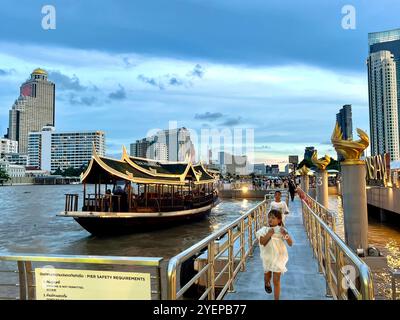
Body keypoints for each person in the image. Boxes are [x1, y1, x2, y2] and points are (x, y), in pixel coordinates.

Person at [256, 210, 293, 300]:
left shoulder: (281, 230)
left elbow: (290, 243)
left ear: (279, 220)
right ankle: (266, 282)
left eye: (273, 218)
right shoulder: (264, 230)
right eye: (269, 217)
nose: (270, 219)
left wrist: (286, 235)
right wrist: (269, 234)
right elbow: (262, 242)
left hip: (279, 257)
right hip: (267, 257)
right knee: (267, 276)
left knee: (276, 281)